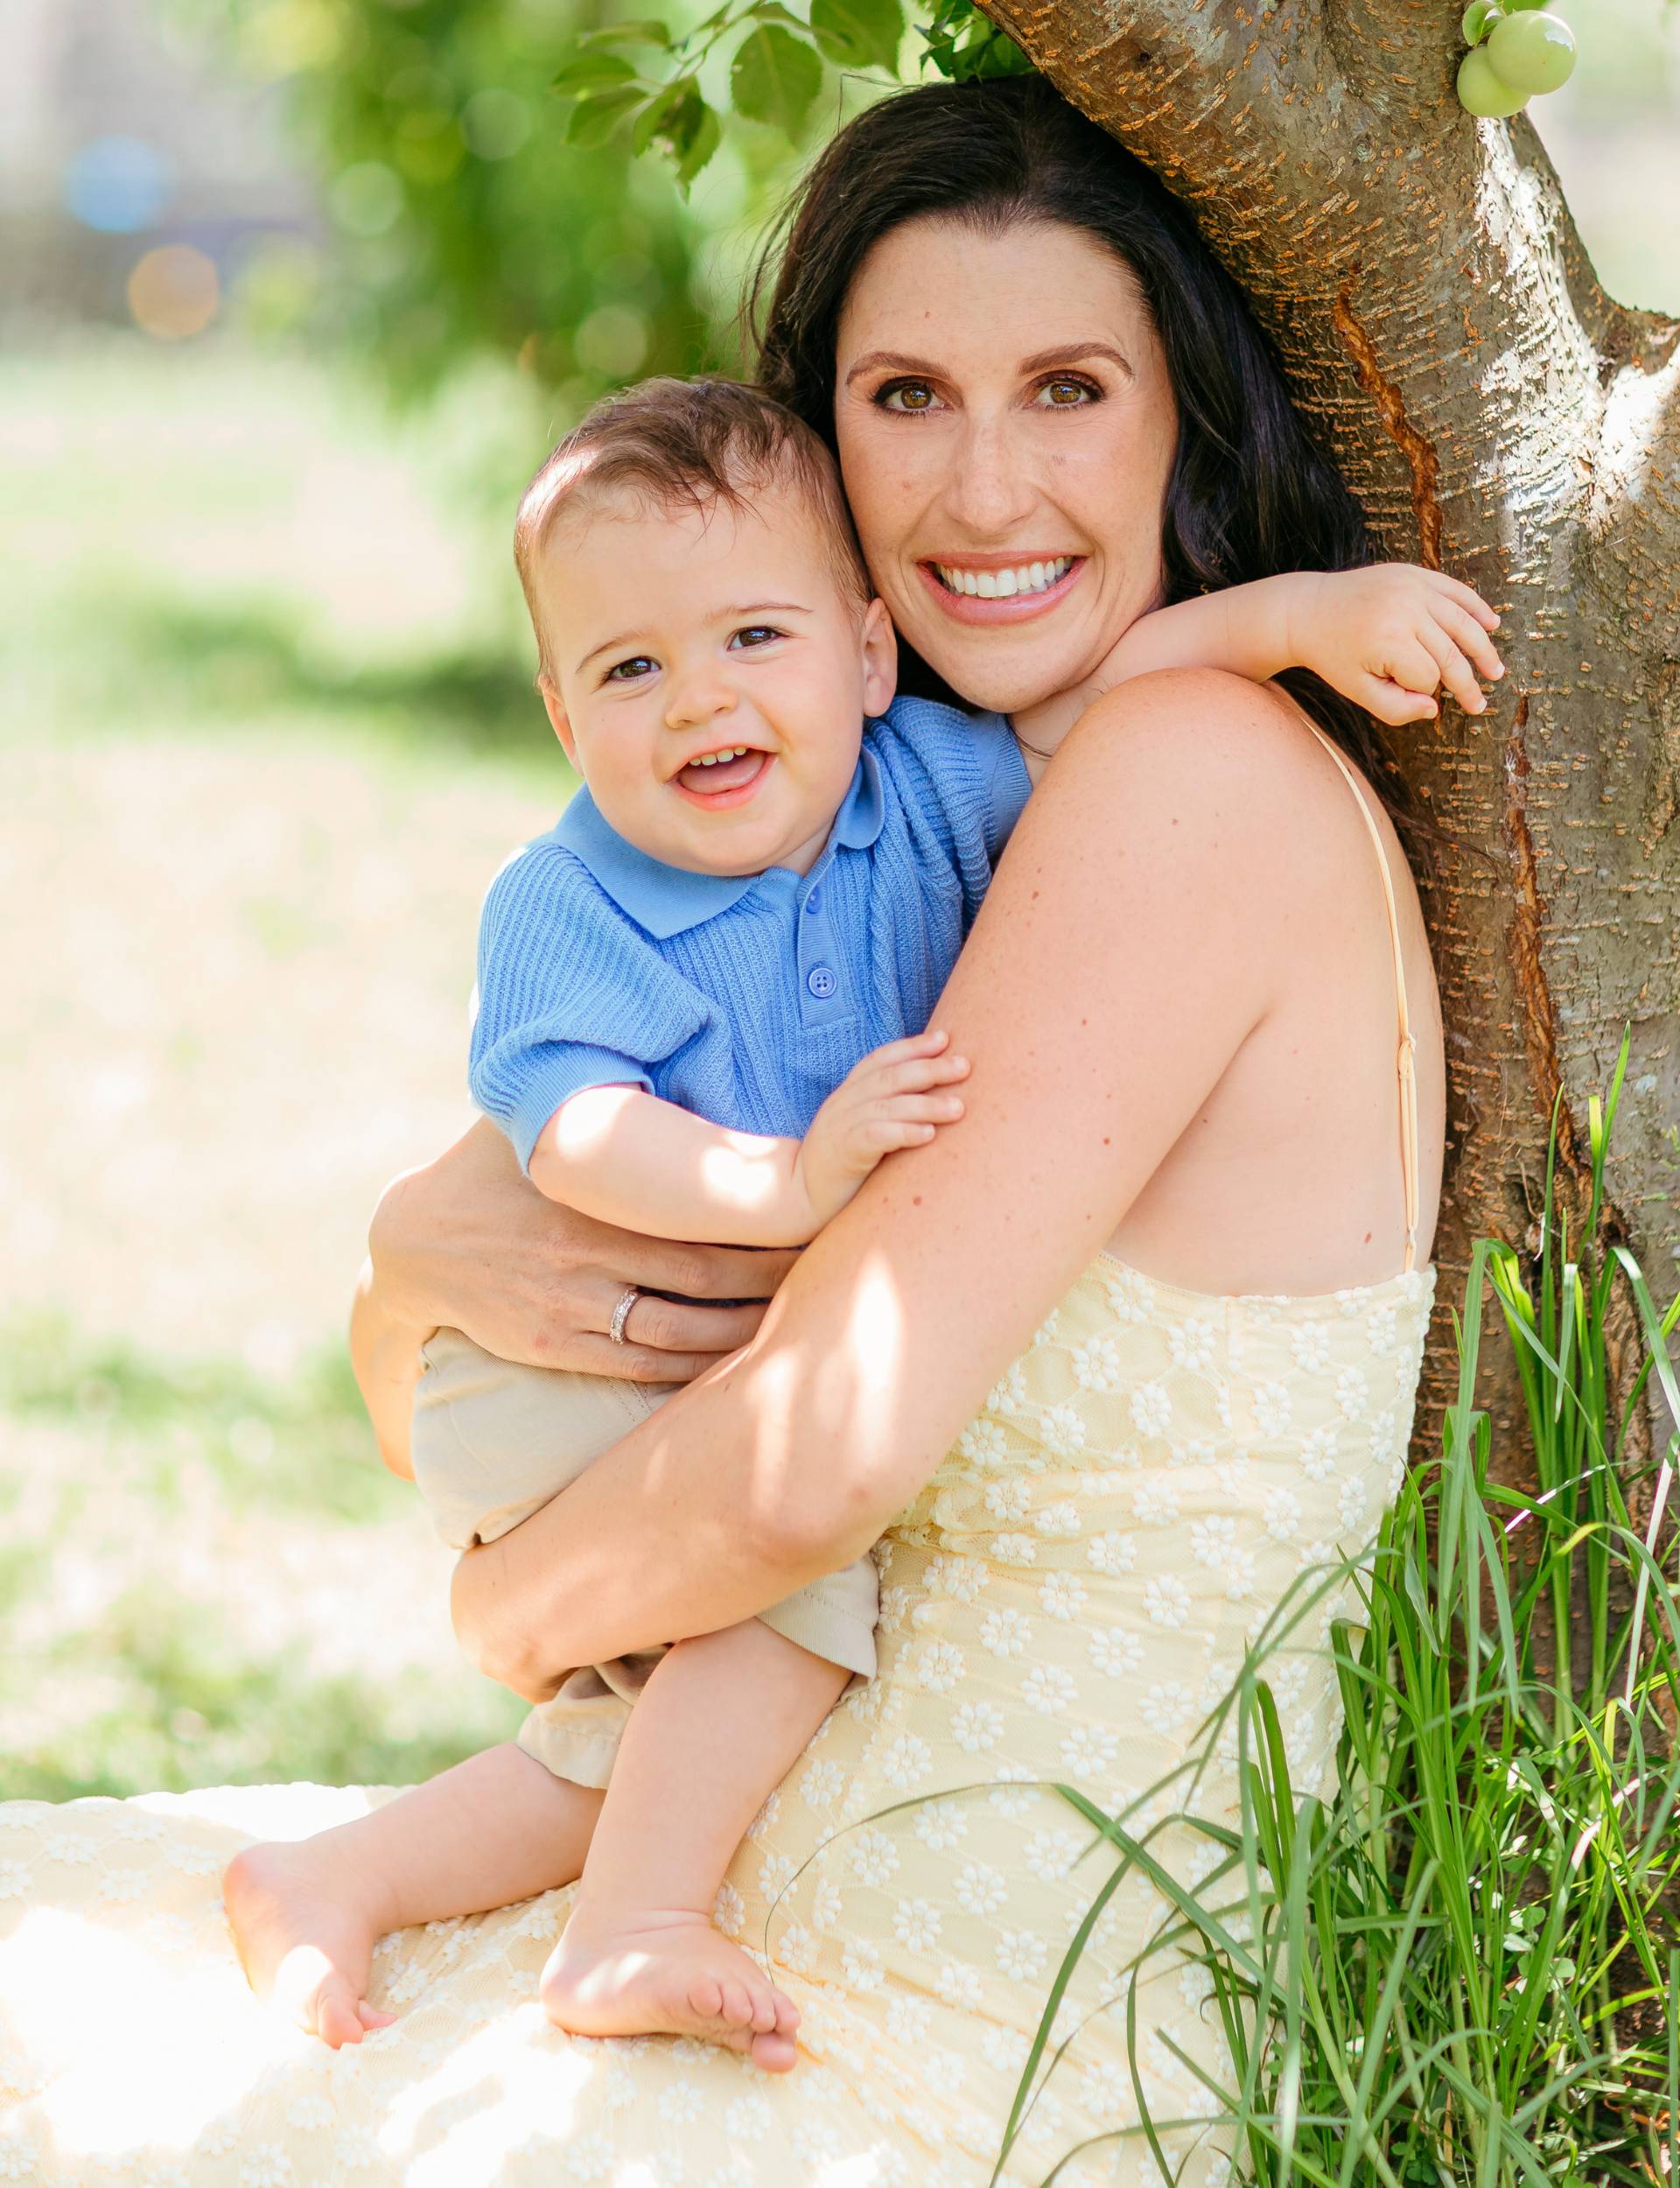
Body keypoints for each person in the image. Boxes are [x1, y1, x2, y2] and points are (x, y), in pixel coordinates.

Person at [0, 75, 1466, 2188]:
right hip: (780, 1873)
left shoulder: (1187, 779)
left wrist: (516, 1618)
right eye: (903, 394)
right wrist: (423, 1268)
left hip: (964, 1994)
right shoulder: (925, 806)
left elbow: (811, 1460)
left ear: (1189, 414)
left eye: (1068, 387)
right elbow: (470, 1390)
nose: (982, 486)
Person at [220, 371, 1495, 2065]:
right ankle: (633, 1926)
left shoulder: (927, 786)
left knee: (640, 1717)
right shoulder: (575, 896)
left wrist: (1319, 614)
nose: (699, 701)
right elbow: (572, 1124)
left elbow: (1129, 678)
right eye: (629, 668)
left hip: (698, 1355)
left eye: (755, 637)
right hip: (563, 1370)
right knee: (788, 1605)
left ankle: (336, 1875)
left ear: (870, 651)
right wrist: (781, 1181)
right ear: (560, 716)